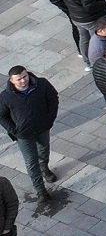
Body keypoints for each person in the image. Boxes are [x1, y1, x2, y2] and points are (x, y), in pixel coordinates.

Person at [0, 68, 61, 208]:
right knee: (31, 161)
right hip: (23, 135)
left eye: (24, 76)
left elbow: (53, 99)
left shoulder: (42, 84)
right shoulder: (5, 97)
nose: (23, 80)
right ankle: (41, 191)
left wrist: (50, 119)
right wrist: (14, 130)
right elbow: (2, 116)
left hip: (42, 128)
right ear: (11, 81)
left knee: (44, 150)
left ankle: (44, 168)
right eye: (19, 79)